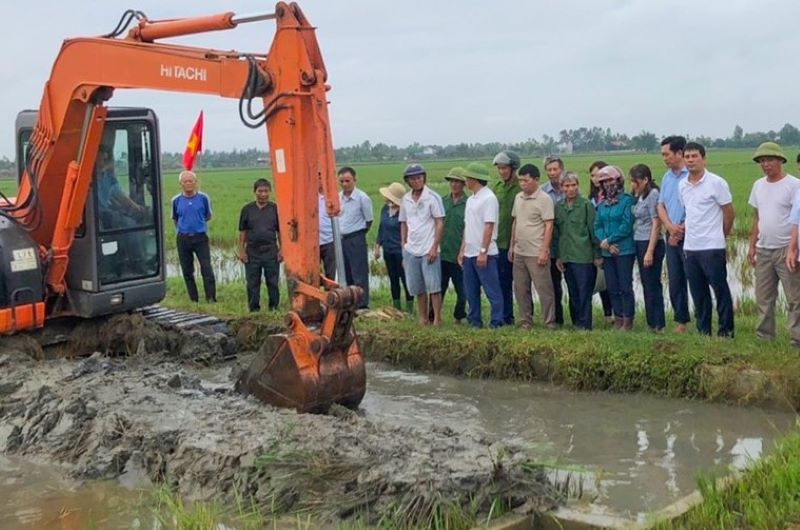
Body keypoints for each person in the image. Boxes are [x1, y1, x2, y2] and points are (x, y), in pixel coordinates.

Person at [679, 142, 735, 337]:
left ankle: (726, 331)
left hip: (712, 246)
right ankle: (703, 331)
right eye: (687, 157)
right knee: (698, 293)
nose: (691, 160)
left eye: (694, 156)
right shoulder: (682, 185)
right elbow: (689, 213)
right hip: (691, 247)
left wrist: (721, 236)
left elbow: (729, 214)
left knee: (720, 290)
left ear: (703, 158)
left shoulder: (716, 183)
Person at [748, 142, 800, 346]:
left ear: (780, 160)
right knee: (763, 296)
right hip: (764, 248)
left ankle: (796, 338)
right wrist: (752, 246)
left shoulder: (794, 185)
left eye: (769, 160)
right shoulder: (758, 185)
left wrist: (793, 248)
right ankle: (764, 336)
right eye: (762, 161)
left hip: (787, 249)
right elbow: (756, 218)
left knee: (794, 297)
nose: (765, 164)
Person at [509, 163, 556, 329]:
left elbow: (549, 225)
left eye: (526, 181)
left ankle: (549, 322)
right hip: (520, 251)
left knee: (544, 289)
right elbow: (516, 222)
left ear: (536, 180)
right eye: (520, 181)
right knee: (521, 289)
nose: (523, 184)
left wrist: (544, 250)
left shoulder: (544, 199)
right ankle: (525, 321)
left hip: (536, 252)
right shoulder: (518, 197)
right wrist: (511, 246)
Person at [458, 162, 504, 328]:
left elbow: (489, 225)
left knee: (492, 290)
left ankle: (497, 322)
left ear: (474, 179)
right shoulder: (471, 199)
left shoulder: (489, 198)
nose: (465, 182)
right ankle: (474, 320)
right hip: (470, 252)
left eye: (467, 178)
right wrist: (463, 249)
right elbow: (468, 226)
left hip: (485, 253)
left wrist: (483, 251)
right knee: (471, 291)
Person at [399, 164, 445, 325]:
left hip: (428, 248)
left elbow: (439, 222)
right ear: (408, 181)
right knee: (417, 287)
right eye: (413, 178)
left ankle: (437, 319)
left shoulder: (432, 197)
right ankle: (423, 318)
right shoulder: (405, 199)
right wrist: (403, 246)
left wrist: (434, 247)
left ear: (424, 178)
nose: (417, 181)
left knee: (433, 286)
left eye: (419, 177)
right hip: (411, 249)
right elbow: (403, 223)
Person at [555, 172, 600, 330]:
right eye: (567, 186)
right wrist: (558, 256)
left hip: (583, 256)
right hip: (567, 256)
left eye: (574, 185)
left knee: (584, 293)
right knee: (572, 292)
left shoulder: (586, 205)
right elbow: (557, 234)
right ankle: (576, 323)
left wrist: (597, 255)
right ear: (561, 188)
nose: (571, 189)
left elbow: (593, 231)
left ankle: (585, 325)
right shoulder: (558, 207)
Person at [594, 166, 636, 330]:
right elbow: (597, 225)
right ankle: (617, 318)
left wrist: (610, 240)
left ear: (618, 180)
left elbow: (627, 226)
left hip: (624, 249)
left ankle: (628, 319)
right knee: (612, 287)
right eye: (604, 182)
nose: (608, 184)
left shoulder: (627, 201)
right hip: (607, 251)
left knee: (625, 286)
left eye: (610, 180)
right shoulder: (602, 204)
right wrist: (605, 242)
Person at [657, 135, 691, 333]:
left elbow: (696, 208)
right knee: (676, 279)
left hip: (690, 235)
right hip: (671, 235)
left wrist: (680, 228)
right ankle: (681, 321)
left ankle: (706, 319)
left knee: (696, 279)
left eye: (666, 154)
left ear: (679, 153)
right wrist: (670, 227)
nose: (664, 158)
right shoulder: (667, 177)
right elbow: (661, 205)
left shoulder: (692, 175)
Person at [629, 164, 666, 332]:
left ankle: (657, 323)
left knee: (652, 283)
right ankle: (651, 322)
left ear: (645, 180)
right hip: (639, 240)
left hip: (650, 242)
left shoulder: (653, 194)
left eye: (635, 181)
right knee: (645, 283)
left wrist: (650, 251)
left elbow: (656, 223)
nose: (633, 184)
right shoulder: (639, 196)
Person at [172, 170, 216, 303]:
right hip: (183, 238)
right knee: (187, 270)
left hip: (200, 237)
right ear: (180, 184)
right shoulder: (176, 200)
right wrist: (181, 230)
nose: (188, 183)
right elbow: (175, 218)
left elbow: (208, 216)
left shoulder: (203, 198)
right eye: (185, 181)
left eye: (191, 181)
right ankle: (194, 299)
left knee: (206, 268)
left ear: (195, 182)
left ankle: (211, 298)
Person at [238, 178, 281, 312]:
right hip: (252, 252)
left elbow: (280, 232)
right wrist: (241, 251)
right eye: (260, 191)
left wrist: (282, 250)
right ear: (254, 192)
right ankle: (254, 309)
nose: (263, 194)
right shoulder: (247, 209)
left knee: (273, 282)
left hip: (271, 251)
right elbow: (242, 232)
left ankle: (274, 308)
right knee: (252, 283)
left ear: (270, 192)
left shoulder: (275, 209)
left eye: (266, 191)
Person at [492, 150, 522, 325]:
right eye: (500, 168)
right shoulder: (497, 187)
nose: (502, 171)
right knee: (501, 281)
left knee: (520, 284)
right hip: (499, 242)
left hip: (516, 242)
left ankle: (525, 315)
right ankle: (506, 316)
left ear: (513, 168)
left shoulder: (520, 187)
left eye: (505, 168)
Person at [374, 181, 414, 313]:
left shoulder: (404, 212)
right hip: (388, 250)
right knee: (393, 279)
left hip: (400, 251)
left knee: (405, 279)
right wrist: (377, 246)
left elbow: (408, 232)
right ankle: (396, 307)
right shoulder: (385, 209)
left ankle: (409, 308)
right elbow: (381, 228)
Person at [337, 166, 373, 309]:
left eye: (348, 181)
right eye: (342, 181)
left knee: (359, 273)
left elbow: (369, 221)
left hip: (356, 237)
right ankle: (350, 302)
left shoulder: (362, 198)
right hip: (342, 239)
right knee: (346, 273)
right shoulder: (338, 197)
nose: (345, 184)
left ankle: (362, 303)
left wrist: (358, 235)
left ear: (354, 180)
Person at [440, 167, 468, 323]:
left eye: (457, 181)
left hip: (459, 254)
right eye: (451, 181)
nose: (454, 184)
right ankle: (433, 316)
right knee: (439, 288)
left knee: (462, 290)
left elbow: (468, 229)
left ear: (463, 184)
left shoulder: (468, 203)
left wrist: (463, 251)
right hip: (442, 253)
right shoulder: (443, 201)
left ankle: (459, 315)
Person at [588, 160, 614, 324]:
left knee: (610, 280)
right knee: (599, 279)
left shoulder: (612, 197)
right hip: (596, 242)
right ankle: (605, 314)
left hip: (610, 241)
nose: (596, 178)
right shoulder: (591, 198)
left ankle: (613, 315)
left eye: (599, 174)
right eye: (592, 175)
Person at [543, 155, 566, 326]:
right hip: (551, 244)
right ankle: (557, 319)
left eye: (555, 169)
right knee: (553, 284)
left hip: (569, 243)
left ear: (561, 170)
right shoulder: (542, 193)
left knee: (576, 284)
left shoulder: (570, 187)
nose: (552, 173)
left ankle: (581, 320)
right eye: (549, 170)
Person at [318, 191, 336, 280]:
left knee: (330, 273)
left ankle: (330, 293)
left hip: (329, 241)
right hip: (312, 243)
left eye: (321, 177)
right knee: (313, 274)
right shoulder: (308, 197)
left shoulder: (331, 198)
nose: (319, 180)